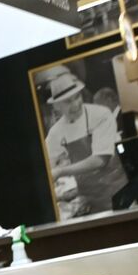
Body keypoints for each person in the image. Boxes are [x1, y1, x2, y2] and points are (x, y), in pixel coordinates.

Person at [44, 74, 127, 216]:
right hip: (90, 203)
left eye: (77, 97)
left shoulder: (101, 115)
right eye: (68, 101)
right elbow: (47, 165)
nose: (75, 104)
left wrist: (60, 171)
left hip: (119, 194)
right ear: (57, 106)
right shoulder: (55, 132)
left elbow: (100, 160)